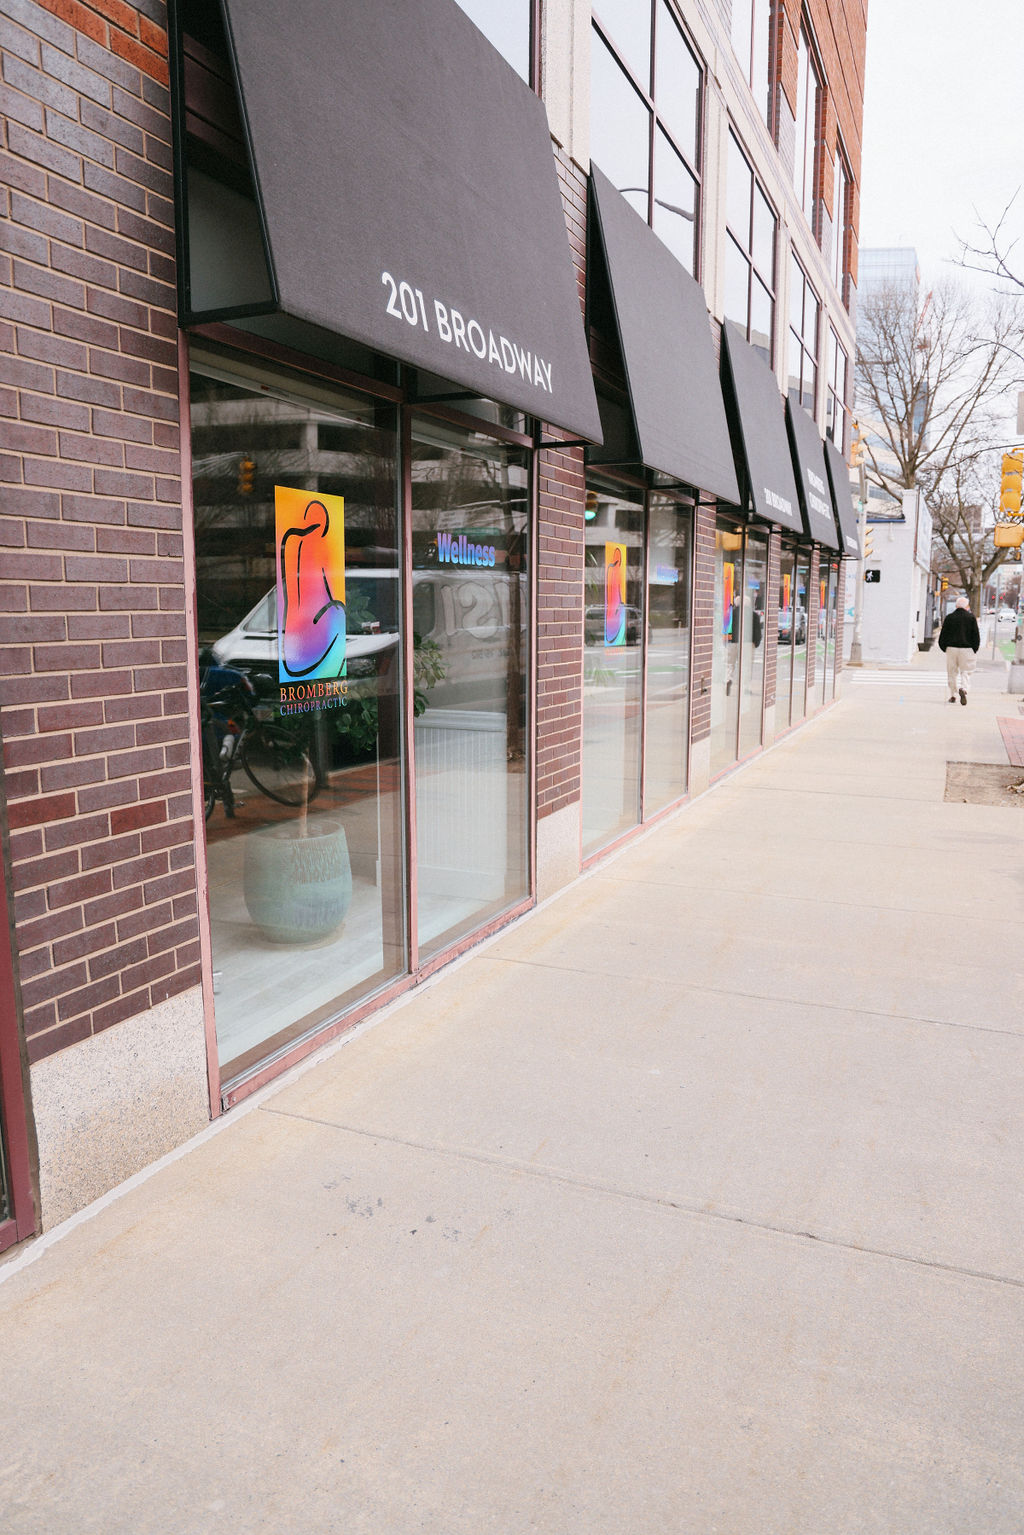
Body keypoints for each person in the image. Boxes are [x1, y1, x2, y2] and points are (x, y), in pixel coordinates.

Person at [937, 596, 980, 705]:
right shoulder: (971, 618)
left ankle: (953, 695)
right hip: (967, 649)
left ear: (956, 606)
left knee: (952, 672)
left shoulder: (949, 618)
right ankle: (964, 689)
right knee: (966, 671)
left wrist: (944, 647)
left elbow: (943, 635)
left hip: (951, 648)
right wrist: (975, 648)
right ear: (967, 606)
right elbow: (975, 635)